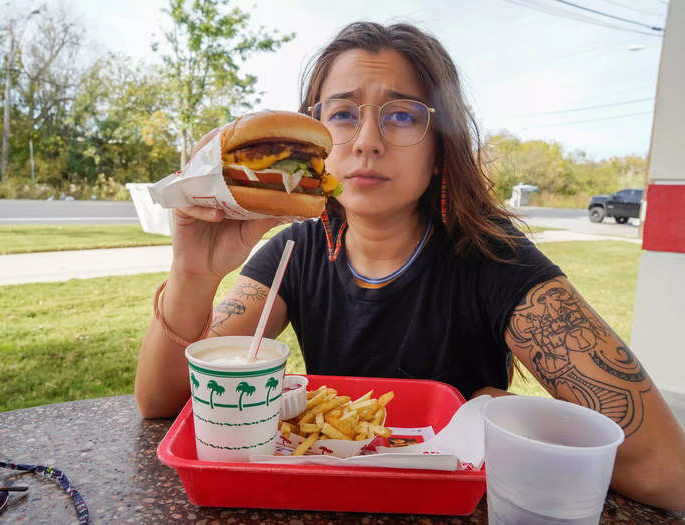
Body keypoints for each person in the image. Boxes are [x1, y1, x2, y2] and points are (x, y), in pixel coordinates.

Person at [135, 22, 685, 511]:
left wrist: (510, 425)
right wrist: (193, 271)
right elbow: (164, 402)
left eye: (401, 116)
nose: (368, 142)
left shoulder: (496, 258)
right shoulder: (293, 252)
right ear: (314, 144)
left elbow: (663, 468)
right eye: (344, 114)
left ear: (440, 145)